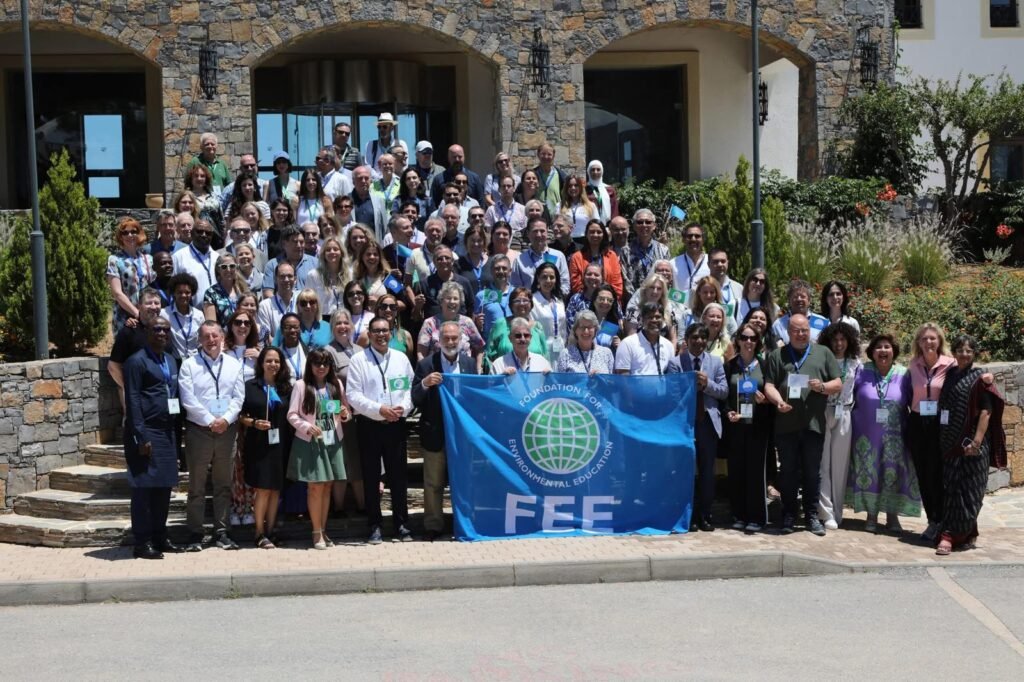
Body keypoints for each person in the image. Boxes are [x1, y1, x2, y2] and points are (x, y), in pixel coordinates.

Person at [762, 314, 842, 536]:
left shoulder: (823, 353)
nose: (801, 334)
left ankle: (811, 516)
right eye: (796, 330)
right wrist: (778, 401)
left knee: (811, 473)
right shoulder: (777, 355)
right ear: (788, 332)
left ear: (810, 330)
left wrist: (822, 387)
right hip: (786, 425)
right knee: (787, 472)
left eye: (804, 330)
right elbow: (769, 385)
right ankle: (788, 514)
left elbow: (838, 383)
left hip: (813, 426)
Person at [936, 335, 1007, 555]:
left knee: (969, 493)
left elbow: (986, 412)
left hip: (972, 446)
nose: (964, 354)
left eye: (968, 351)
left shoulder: (979, 378)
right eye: (960, 350)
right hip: (950, 443)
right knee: (952, 491)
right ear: (954, 353)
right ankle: (966, 533)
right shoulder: (950, 375)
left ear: (974, 353)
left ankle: (949, 536)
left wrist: (975, 443)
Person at [178, 321, 246, 551]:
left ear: (222, 337)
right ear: (199, 340)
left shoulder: (234, 364)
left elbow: (238, 397)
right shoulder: (189, 365)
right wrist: (210, 420)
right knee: (196, 485)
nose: (211, 340)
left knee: (223, 484)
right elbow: (188, 399)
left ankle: (222, 532)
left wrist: (225, 419)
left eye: (215, 335)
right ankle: (195, 533)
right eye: (206, 336)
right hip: (199, 431)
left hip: (227, 430)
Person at [347, 315, 415, 544]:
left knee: (398, 477)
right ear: (369, 334)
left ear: (391, 332)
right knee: (371, 477)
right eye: (376, 331)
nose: (381, 335)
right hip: (369, 425)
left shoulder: (401, 358)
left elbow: (410, 389)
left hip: (396, 424)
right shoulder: (358, 360)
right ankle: (374, 525)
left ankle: (401, 525)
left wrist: (402, 409)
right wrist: (379, 410)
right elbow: (353, 395)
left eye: (385, 330)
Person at [847, 333, 921, 533]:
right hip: (866, 437)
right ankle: (871, 515)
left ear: (893, 351)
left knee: (892, 472)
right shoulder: (862, 371)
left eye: (887, 347)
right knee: (868, 473)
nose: (882, 351)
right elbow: (847, 395)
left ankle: (892, 516)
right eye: (878, 347)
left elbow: (914, 401)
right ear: (872, 352)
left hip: (894, 436)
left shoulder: (904, 374)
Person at [122, 318, 183, 559]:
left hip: (167, 431)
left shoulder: (170, 360)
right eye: (156, 329)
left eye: (166, 330)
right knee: (144, 489)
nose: (162, 333)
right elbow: (133, 400)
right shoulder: (136, 361)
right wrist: (141, 435)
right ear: (147, 332)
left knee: (163, 488)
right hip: (146, 432)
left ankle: (160, 536)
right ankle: (142, 541)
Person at [412, 320, 478, 540]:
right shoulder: (426, 365)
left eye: (454, 338)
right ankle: (433, 525)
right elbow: (414, 398)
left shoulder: (469, 364)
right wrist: (425, 383)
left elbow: (476, 397)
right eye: (446, 338)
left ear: (461, 340)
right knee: (433, 483)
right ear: (438, 341)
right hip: (435, 433)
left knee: (464, 482)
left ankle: (465, 523)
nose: (450, 342)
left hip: (461, 434)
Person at [287, 348, 352, 549]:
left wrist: (344, 414)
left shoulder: (336, 384)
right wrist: (307, 427)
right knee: (315, 487)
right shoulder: (301, 385)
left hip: (333, 440)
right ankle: (316, 532)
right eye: (317, 363)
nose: (321, 367)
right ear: (310, 365)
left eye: (325, 363)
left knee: (327, 486)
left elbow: (346, 413)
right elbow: (292, 414)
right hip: (311, 441)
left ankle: (323, 530)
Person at [667, 323, 728, 530]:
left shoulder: (716, 362)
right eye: (694, 337)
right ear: (687, 340)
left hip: (708, 424)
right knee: (686, 471)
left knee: (707, 472)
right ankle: (688, 516)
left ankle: (705, 515)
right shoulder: (676, 363)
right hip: (685, 424)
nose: (699, 341)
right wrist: (691, 385)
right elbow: (673, 392)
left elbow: (724, 391)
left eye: (703, 337)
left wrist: (707, 384)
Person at [238, 347, 292, 549]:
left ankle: (270, 531)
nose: (273, 364)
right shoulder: (250, 386)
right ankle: (259, 532)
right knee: (262, 489)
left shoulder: (286, 388)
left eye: (277, 361)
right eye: (269, 361)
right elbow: (240, 415)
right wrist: (254, 423)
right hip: (258, 444)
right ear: (261, 363)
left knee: (275, 488)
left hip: (281, 443)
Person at [722, 322, 772, 533]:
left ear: (758, 341)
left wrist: (765, 401)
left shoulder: (765, 365)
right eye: (745, 337)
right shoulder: (730, 366)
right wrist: (728, 412)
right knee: (736, 470)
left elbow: (772, 392)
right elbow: (724, 396)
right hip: (736, 426)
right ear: (738, 340)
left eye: (753, 338)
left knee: (755, 472)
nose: (749, 342)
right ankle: (739, 515)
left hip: (758, 426)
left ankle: (756, 517)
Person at [816, 322, 861, 530]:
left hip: (845, 413)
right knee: (823, 464)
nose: (839, 343)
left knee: (840, 466)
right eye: (835, 339)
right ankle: (825, 512)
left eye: (843, 339)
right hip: (823, 412)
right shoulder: (822, 359)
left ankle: (837, 511)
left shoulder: (855, 363)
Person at [323, 308, 365, 518]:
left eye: (346, 322)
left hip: (361, 415)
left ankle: (362, 507)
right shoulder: (327, 351)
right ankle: (338, 508)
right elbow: (324, 385)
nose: (342, 327)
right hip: (338, 416)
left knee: (358, 462)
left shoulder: (360, 350)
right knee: (339, 461)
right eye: (338, 323)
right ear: (332, 327)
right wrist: (331, 415)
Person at [416, 281, 485, 364]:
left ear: (460, 302)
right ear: (441, 301)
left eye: (455, 299)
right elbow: (421, 354)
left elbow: (480, 348)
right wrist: (425, 370)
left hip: (464, 370)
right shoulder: (429, 323)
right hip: (436, 370)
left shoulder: (467, 322)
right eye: (448, 298)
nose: (452, 301)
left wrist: (478, 368)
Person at [107, 218, 155, 334]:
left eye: (134, 231)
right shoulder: (114, 260)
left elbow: (154, 287)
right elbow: (117, 293)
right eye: (125, 232)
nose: (130, 235)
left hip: (148, 315)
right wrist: (136, 313)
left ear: (139, 234)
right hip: (125, 317)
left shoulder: (148, 259)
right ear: (120, 236)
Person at [485, 286, 548, 366]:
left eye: (525, 300)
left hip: (534, 372)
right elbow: (489, 356)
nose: (521, 304)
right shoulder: (500, 324)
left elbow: (545, 356)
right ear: (511, 305)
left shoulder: (537, 327)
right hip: (505, 371)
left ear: (531, 305)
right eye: (517, 301)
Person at [511, 218, 570, 295]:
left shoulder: (559, 256)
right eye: (535, 231)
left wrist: (554, 298)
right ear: (528, 233)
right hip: (530, 301)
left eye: (542, 231)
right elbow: (515, 287)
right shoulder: (520, 260)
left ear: (547, 232)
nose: (539, 235)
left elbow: (565, 284)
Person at [568, 219, 624, 299]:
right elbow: (576, 285)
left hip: (608, 301)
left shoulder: (612, 256)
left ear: (604, 234)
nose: (595, 235)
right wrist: (591, 300)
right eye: (592, 232)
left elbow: (617, 284)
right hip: (584, 300)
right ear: (586, 234)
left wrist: (608, 299)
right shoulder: (576, 257)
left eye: (599, 232)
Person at [619, 210, 669, 299]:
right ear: (634, 226)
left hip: (657, 300)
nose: (644, 225)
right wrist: (637, 300)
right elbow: (625, 280)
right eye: (640, 222)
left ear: (654, 226)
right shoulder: (625, 251)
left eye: (648, 222)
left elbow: (667, 277)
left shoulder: (663, 250)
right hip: (634, 300)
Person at [615, 303, 674, 375]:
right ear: (642, 320)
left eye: (658, 317)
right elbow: (623, 375)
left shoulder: (669, 346)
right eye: (650, 317)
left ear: (663, 320)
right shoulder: (627, 344)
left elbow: (670, 375)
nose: (654, 320)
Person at [625, 272, 678, 350]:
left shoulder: (669, 312)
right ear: (645, 290)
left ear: (662, 292)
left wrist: (670, 355)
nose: (655, 291)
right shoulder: (634, 311)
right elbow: (631, 339)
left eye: (659, 289)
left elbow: (673, 339)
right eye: (652, 287)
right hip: (640, 352)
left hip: (664, 353)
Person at [261, 225, 318, 297]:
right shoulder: (272, 265)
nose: (299, 245)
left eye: (301, 242)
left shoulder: (316, 264)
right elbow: (268, 292)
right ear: (284, 244)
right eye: (295, 242)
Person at [159, 273, 204, 362]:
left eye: (187, 292)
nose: (183, 295)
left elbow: (201, 341)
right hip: (175, 361)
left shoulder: (199, 315)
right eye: (180, 292)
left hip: (195, 360)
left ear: (192, 293)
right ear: (174, 293)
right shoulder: (164, 314)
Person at [172, 218, 217, 308]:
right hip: (191, 312)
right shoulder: (179, 257)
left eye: (208, 233)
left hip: (217, 311)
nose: (204, 235)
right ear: (192, 233)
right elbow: (173, 287)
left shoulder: (217, 257)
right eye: (199, 231)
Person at [530, 262, 568, 362]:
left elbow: (563, 328)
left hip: (559, 349)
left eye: (552, 277)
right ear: (538, 279)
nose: (548, 280)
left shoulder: (559, 301)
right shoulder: (532, 301)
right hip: (541, 350)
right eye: (544, 277)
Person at [771, 280, 829, 344]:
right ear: (789, 300)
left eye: (803, 296)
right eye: (795, 296)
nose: (799, 299)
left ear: (809, 300)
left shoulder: (824, 323)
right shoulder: (778, 325)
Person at [557, 310, 614, 375]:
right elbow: (560, 380)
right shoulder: (565, 354)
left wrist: (601, 377)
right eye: (582, 327)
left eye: (589, 327)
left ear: (595, 330)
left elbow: (611, 380)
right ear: (575, 330)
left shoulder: (607, 353)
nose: (586, 331)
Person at [306, 236, 348, 320]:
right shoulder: (313, 275)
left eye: (335, 249)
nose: (332, 252)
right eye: (328, 250)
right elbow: (308, 300)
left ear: (341, 252)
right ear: (323, 254)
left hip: (345, 319)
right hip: (322, 319)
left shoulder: (350, 274)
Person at [183, 165, 225, 245]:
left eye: (202, 176)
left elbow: (221, 218)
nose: (199, 178)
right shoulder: (187, 197)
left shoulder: (213, 195)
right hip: (196, 237)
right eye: (196, 176)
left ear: (206, 179)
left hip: (216, 236)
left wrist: (223, 236)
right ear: (191, 179)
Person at [201, 253, 246, 328]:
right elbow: (211, 325)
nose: (228, 270)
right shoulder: (211, 293)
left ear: (236, 268)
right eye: (224, 267)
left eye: (232, 266)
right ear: (218, 270)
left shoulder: (243, 290)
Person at [256, 262, 298, 343]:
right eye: (282, 276)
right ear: (275, 279)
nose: (286, 280)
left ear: (295, 279)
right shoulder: (265, 306)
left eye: (290, 276)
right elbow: (265, 337)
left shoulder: (302, 302)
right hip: (275, 350)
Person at [671, 223, 710, 300]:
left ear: (703, 239)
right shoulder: (673, 263)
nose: (693, 239)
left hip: (705, 306)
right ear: (683, 240)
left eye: (697, 236)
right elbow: (667, 289)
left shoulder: (711, 262)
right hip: (679, 306)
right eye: (689, 236)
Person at [350, 165, 389, 241]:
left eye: (366, 178)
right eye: (360, 178)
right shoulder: (346, 201)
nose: (363, 181)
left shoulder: (379, 201)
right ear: (353, 181)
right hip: (353, 245)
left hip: (373, 245)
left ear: (370, 181)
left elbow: (384, 228)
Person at [186, 132, 232, 197]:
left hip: (220, 200)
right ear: (201, 147)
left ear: (216, 146)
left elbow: (229, 185)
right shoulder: (195, 162)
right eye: (207, 144)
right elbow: (187, 183)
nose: (210, 146)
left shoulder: (222, 164)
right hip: (201, 199)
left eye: (212, 144)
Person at [364, 113, 408, 179]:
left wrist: (390, 178)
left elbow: (404, 166)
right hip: (376, 182)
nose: (381, 130)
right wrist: (380, 179)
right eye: (379, 127)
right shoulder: (370, 145)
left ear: (392, 128)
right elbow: (368, 166)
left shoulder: (401, 144)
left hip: (396, 181)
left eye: (385, 127)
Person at [707, 248, 743, 327]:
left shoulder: (739, 288)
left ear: (727, 263)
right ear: (708, 264)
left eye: (723, 261)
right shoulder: (700, 288)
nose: (720, 264)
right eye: (715, 262)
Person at [223, 307, 260, 382]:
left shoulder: (258, 352)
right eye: (238, 322)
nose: (242, 326)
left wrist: (260, 359)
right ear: (231, 327)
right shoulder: (223, 351)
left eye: (247, 323)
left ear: (251, 327)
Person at [559, 174, 599, 240]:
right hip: (567, 241)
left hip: (585, 241)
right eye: (570, 186)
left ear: (580, 187)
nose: (573, 188)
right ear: (566, 188)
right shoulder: (560, 206)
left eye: (576, 185)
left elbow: (596, 225)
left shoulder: (591, 206)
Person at [534, 142, 569, 214]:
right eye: (543, 154)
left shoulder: (560, 175)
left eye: (549, 154)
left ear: (553, 156)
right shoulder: (533, 175)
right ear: (538, 155)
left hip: (556, 215)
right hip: (537, 214)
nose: (546, 157)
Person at [566, 262, 603, 330]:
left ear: (602, 278)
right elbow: (570, 325)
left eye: (596, 275)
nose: (592, 277)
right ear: (584, 277)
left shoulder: (609, 299)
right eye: (589, 274)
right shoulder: (575, 299)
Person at [455, 223, 491, 292]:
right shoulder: (458, 264)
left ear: (484, 242)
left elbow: (499, 287)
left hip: (490, 299)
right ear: (466, 242)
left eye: (479, 240)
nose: (476, 244)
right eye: (472, 240)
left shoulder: (492, 263)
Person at [590, 284, 623, 352]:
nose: (605, 302)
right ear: (594, 300)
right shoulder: (584, 320)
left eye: (609, 300)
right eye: (601, 299)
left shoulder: (617, 324)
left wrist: (620, 344)